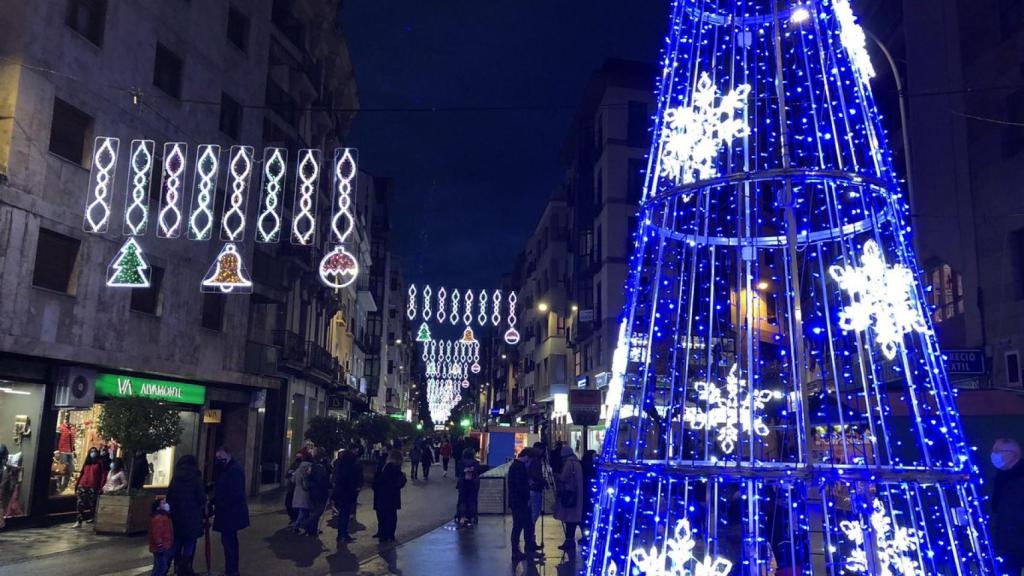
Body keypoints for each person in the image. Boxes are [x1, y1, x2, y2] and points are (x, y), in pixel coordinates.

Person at [211, 446, 249, 576]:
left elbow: (234, 493)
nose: (218, 459)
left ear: (228, 454)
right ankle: (231, 569)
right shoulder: (227, 468)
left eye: (220, 456)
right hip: (228, 512)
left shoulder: (234, 469)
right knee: (229, 542)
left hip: (230, 513)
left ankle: (232, 570)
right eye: (217, 457)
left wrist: (220, 502)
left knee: (229, 543)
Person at [166, 455, 205, 576]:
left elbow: (169, 496)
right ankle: (186, 568)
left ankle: (170, 567)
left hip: (177, 517)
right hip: (192, 517)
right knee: (190, 543)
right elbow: (201, 498)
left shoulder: (175, 478)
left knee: (176, 542)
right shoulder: (196, 478)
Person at [992, 438, 1024, 576]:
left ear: (1012, 454)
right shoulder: (1002, 475)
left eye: (998, 451)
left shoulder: (1019, 477)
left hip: (1018, 539)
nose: (994, 454)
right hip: (1008, 541)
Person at [508, 448, 538, 560]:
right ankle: (525, 551)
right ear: (527, 457)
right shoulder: (519, 468)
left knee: (518, 526)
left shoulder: (514, 466)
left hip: (516, 501)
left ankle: (516, 551)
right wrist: (528, 490)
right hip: (521, 502)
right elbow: (521, 486)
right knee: (525, 525)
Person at [373, 449, 407, 543]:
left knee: (384, 516)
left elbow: (381, 480)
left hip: (385, 495)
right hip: (393, 496)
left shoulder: (388, 467)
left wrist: (376, 483)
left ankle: (384, 535)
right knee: (391, 516)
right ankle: (390, 535)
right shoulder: (397, 468)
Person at [554, 445, 584, 553]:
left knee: (569, 519)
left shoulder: (569, 463)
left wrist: (557, 476)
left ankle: (569, 541)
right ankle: (572, 540)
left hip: (569, 494)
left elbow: (563, 478)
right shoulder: (577, 463)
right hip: (577, 494)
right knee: (574, 519)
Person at [333, 444, 363, 543]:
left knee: (343, 513)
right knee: (345, 513)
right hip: (348, 491)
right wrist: (355, 487)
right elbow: (353, 477)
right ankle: (343, 535)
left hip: (341, 490)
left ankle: (342, 535)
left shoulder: (341, 461)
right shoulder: (352, 461)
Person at [302, 448, 331, 537]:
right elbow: (322, 480)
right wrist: (329, 486)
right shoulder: (320, 467)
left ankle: (312, 530)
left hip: (312, 490)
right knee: (319, 510)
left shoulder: (313, 465)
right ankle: (306, 523)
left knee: (314, 510)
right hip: (320, 491)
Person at [72, 448, 104, 527]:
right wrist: (77, 485)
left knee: (92, 504)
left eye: (94, 452)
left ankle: (92, 517)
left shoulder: (99, 463)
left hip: (93, 486)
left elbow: (102, 475)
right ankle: (79, 521)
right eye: (91, 452)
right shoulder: (87, 463)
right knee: (80, 504)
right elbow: (82, 473)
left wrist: (101, 486)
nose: (93, 453)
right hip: (82, 484)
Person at [456, 447, 482, 527]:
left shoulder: (460, 462)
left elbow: (458, 472)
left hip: (463, 483)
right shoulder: (476, 463)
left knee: (462, 500)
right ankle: (471, 517)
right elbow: (478, 472)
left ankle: (462, 516)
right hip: (473, 484)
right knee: (472, 500)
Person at [528, 442, 548, 542]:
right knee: (534, 514)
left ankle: (530, 538)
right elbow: (536, 475)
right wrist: (543, 482)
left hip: (532, 489)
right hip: (535, 489)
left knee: (532, 514)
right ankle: (531, 539)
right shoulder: (536, 460)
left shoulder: (530, 458)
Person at [149, 499, 175, 576]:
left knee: (158, 566)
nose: (166, 504)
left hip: (162, 546)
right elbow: (157, 533)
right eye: (163, 503)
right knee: (162, 567)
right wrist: (159, 545)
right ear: (158, 507)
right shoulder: (159, 518)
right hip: (161, 547)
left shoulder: (164, 516)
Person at [291, 453, 313, 534]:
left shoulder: (298, 469)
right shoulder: (309, 468)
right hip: (305, 492)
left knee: (303, 510)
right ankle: (297, 526)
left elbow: (292, 480)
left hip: (297, 491)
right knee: (304, 511)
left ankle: (305, 527)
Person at [580, 449, 598, 541]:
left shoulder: (583, 465)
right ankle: (587, 535)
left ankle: (585, 534)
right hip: (588, 493)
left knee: (585, 515)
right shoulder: (590, 467)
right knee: (587, 514)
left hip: (586, 493)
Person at [284, 454, 303, 527]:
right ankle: (293, 518)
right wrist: (291, 473)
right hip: (291, 488)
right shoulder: (293, 465)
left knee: (294, 505)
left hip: (296, 489)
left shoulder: (302, 467)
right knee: (288, 503)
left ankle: (295, 519)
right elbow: (287, 475)